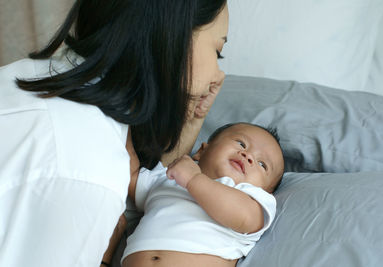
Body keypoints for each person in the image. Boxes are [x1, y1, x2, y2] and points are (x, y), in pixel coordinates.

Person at [0, 1, 228, 267]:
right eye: (218, 51)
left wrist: (191, 116)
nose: (218, 74)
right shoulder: (89, 177)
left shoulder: (31, 74)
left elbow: (154, 181)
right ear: (172, 39)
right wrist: (104, 258)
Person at [121, 122, 285, 267]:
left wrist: (193, 179)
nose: (248, 156)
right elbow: (129, 172)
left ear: (266, 191)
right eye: (241, 143)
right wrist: (122, 127)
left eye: (262, 164)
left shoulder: (252, 200)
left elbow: (244, 217)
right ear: (201, 151)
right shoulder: (168, 177)